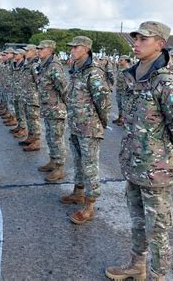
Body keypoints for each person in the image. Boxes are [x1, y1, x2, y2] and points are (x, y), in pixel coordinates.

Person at [105, 21, 173, 281]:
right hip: (134, 164)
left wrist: (164, 150)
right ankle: (137, 266)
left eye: (144, 39)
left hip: (157, 170)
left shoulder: (166, 80)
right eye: (135, 38)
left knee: (157, 230)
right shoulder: (133, 75)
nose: (136, 43)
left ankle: (158, 276)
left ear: (160, 44)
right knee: (136, 222)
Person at [61, 36, 111, 224]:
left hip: (89, 127)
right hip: (75, 124)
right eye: (71, 47)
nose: (72, 50)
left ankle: (89, 206)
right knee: (78, 161)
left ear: (86, 49)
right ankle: (78, 192)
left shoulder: (94, 72)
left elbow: (104, 103)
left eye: (75, 47)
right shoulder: (76, 69)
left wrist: (99, 122)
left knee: (90, 166)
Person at [35, 40, 68, 182]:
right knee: (50, 137)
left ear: (50, 50)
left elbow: (64, 89)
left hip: (56, 110)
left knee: (57, 139)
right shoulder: (44, 65)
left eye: (41, 48)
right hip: (48, 108)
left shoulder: (54, 66)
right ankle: (53, 161)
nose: (38, 50)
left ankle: (59, 168)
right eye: (38, 48)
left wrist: (65, 107)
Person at [18, 45, 42, 151]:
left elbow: (39, 82)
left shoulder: (35, 65)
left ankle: (36, 142)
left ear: (34, 52)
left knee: (34, 120)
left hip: (33, 98)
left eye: (27, 51)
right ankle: (31, 137)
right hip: (27, 96)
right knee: (29, 119)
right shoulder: (28, 63)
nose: (25, 52)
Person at [10, 49, 27, 139]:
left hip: (22, 92)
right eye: (14, 54)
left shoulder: (24, 65)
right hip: (16, 91)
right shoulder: (14, 64)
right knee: (17, 110)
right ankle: (20, 126)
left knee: (21, 111)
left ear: (22, 55)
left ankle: (23, 129)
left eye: (17, 54)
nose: (15, 55)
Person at [112, 55, 130, 125]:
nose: (119, 61)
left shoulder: (128, 70)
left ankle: (124, 121)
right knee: (119, 105)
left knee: (124, 106)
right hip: (119, 90)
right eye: (119, 60)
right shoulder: (120, 68)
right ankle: (119, 118)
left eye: (121, 60)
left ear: (126, 61)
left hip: (125, 91)